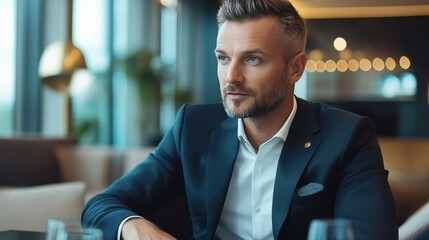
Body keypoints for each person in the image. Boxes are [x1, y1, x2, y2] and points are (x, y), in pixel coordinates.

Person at [82, 0, 398, 239]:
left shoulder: (348, 136)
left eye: (252, 59)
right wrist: (136, 227)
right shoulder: (193, 128)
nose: (231, 77)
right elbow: (101, 206)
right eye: (223, 58)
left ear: (295, 69)